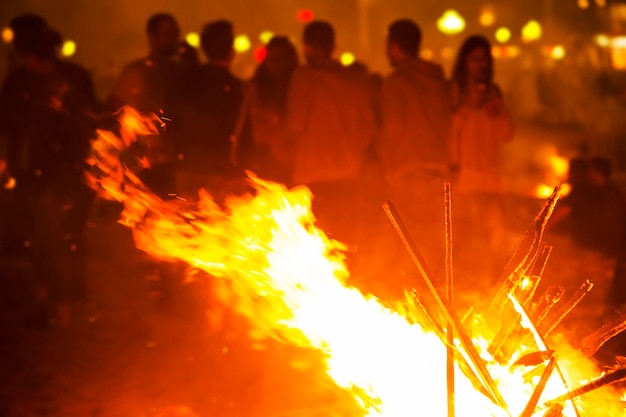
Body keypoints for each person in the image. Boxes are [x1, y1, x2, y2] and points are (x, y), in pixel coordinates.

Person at [0, 20, 100, 328]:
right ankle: (51, 299)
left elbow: (90, 123)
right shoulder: (19, 82)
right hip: (32, 173)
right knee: (42, 239)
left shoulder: (70, 80)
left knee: (59, 239)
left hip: (63, 175)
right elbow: (7, 126)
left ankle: (65, 307)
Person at [284, 20, 376, 241]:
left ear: (305, 46)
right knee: (343, 239)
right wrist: (352, 152)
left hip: (312, 172)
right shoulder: (353, 80)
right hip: (347, 172)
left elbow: (295, 125)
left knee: (311, 240)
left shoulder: (304, 78)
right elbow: (369, 127)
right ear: (333, 47)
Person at [107, 12, 194, 199]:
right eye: (168, 33)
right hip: (144, 164)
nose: (174, 39)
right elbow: (114, 111)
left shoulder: (180, 71)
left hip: (175, 162)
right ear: (153, 37)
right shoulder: (138, 72)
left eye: (175, 33)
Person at [449, 35, 514, 255]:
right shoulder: (453, 91)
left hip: (491, 178)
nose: (479, 64)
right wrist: (466, 106)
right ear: (464, 62)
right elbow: (449, 132)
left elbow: (506, 134)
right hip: (464, 178)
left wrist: (495, 107)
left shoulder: (493, 93)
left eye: (483, 59)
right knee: (468, 240)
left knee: (493, 240)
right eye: (473, 59)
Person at [177, 19, 245, 202]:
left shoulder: (187, 78)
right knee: (214, 225)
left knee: (186, 222)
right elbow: (233, 127)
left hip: (187, 163)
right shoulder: (233, 87)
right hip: (217, 168)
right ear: (231, 50)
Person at [235, 36, 298, 184]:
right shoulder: (255, 87)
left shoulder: (299, 87)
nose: (276, 64)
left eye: (281, 58)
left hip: (292, 160)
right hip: (260, 158)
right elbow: (243, 125)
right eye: (272, 58)